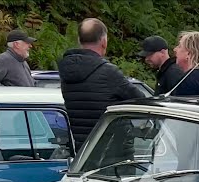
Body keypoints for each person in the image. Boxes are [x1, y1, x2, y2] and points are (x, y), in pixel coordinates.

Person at [58, 18, 143, 147]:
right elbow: (140, 100)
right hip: (112, 150)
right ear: (104, 41)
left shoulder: (67, 72)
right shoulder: (108, 72)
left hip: (83, 150)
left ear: (79, 40)